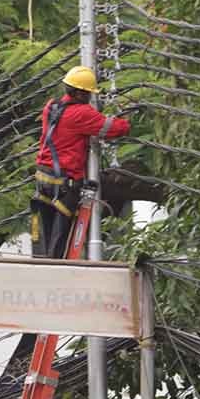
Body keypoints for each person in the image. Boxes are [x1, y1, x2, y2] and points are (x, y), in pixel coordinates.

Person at [30, 66, 130, 259]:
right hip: (65, 183)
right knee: (62, 243)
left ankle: (45, 270)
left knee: (46, 239)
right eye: (88, 94)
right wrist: (125, 119)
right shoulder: (81, 113)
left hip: (43, 178)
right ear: (78, 93)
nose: (90, 97)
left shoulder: (51, 107)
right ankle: (57, 273)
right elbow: (114, 128)